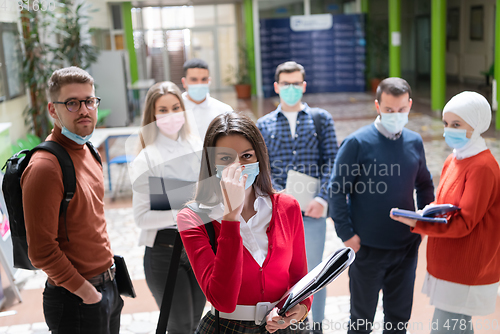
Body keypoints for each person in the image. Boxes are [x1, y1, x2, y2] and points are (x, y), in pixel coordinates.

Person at [177, 112, 312, 333]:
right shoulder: (192, 219)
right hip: (227, 327)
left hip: (281, 326)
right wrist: (231, 217)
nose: (238, 166)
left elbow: (299, 277)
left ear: (259, 158)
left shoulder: (288, 207)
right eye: (226, 158)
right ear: (212, 164)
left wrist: (302, 307)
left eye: (247, 156)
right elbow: (222, 300)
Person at [21, 66, 123, 333]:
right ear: (53, 110)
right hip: (76, 298)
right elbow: (42, 252)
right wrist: (88, 294)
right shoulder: (45, 167)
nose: (84, 110)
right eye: (72, 103)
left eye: (89, 101)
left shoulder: (88, 150)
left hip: (107, 287)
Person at [328, 77, 434, 334]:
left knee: (398, 321)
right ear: (378, 106)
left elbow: (424, 184)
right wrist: (346, 234)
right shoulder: (357, 143)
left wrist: (425, 219)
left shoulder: (414, 141)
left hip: (406, 249)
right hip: (366, 249)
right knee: (361, 321)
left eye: (401, 110)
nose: (395, 115)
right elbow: (337, 189)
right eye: (389, 110)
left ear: (409, 105)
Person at [390, 91, 500, 334]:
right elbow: (446, 206)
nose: (449, 130)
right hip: (448, 261)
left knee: (446, 328)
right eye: (447, 124)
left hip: (465, 266)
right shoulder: (455, 159)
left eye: (457, 124)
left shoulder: (482, 167)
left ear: (478, 123)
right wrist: (425, 213)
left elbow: (464, 223)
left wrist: (417, 223)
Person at [256, 61, 338, 333]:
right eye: (285, 84)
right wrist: (280, 199)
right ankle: (283, 322)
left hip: (313, 211)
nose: (291, 88)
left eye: (296, 83)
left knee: (314, 272)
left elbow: (332, 162)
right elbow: (262, 168)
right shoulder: (264, 125)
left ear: (303, 86)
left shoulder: (320, 119)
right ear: (277, 87)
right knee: (280, 270)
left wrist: (323, 199)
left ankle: (316, 326)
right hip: (278, 214)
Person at [129, 81, 205, 333]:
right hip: (164, 251)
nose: (171, 115)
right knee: (180, 326)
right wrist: (185, 212)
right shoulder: (146, 158)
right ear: (152, 115)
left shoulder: (197, 147)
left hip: (198, 247)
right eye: (163, 110)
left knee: (195, 322)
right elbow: (141, 218)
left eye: (176, 107)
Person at [181, 58, 233, 139]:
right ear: (184, 82)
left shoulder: (224, 110)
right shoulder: (174, 110)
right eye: (194, 79)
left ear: (209, 81)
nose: (199, 84)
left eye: (204, 79)